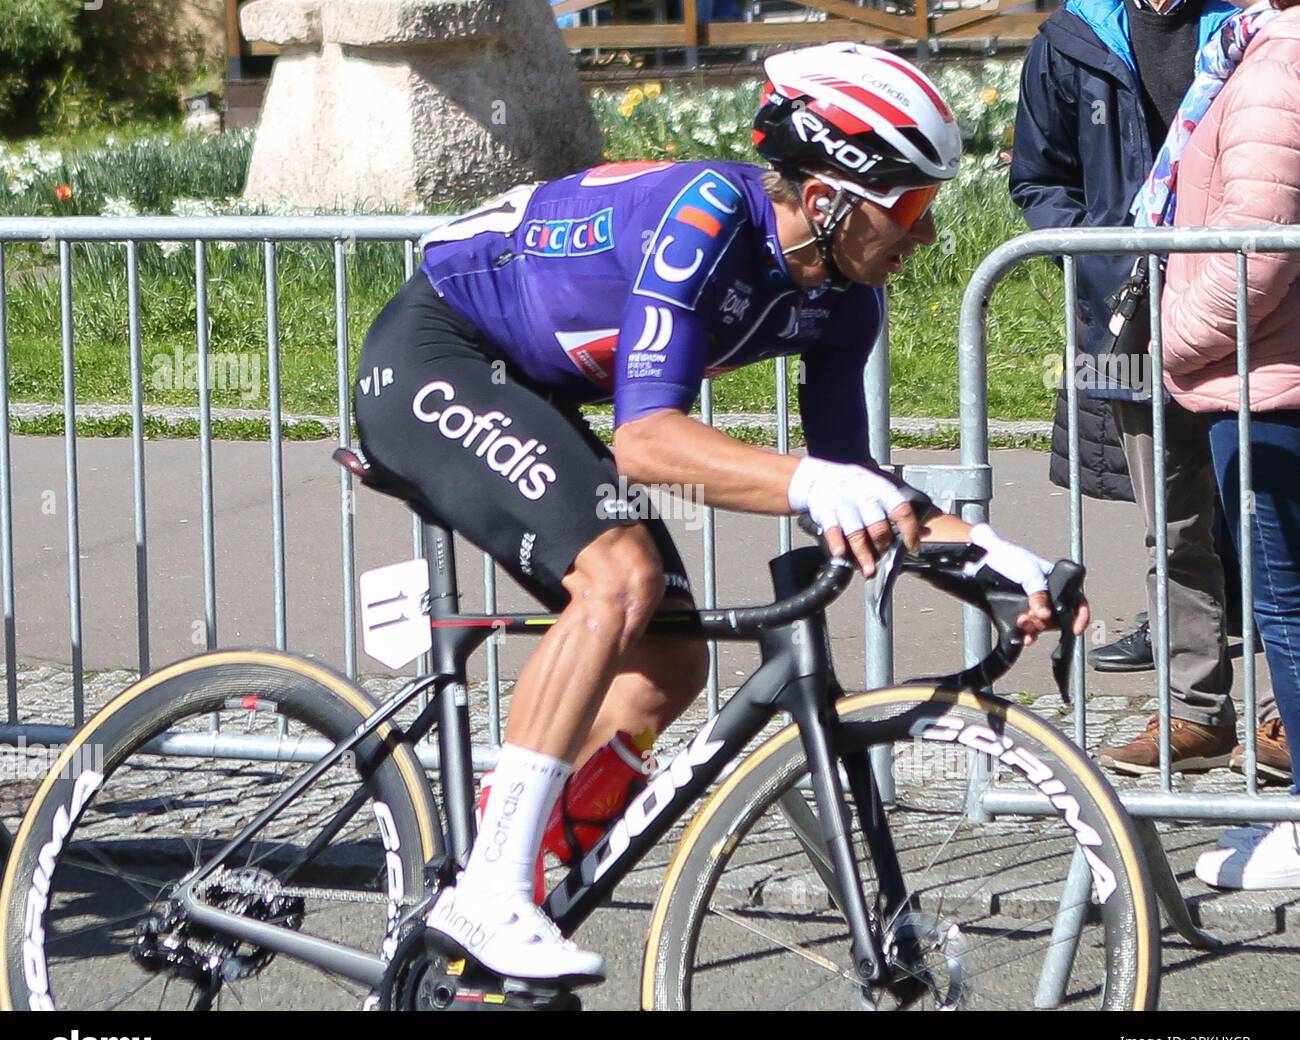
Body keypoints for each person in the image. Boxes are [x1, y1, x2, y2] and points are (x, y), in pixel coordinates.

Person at [354, 42, 1089, 981]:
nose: (927, 236)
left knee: (667, 662)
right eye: (910, 207)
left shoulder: (843, 302)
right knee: (620, 576)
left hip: (540, 391)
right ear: (829, 195)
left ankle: (516, 869)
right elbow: (647, 443)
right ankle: (487, 894)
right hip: (436, 354)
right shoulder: (703, 216)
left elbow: (849, 483)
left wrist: (989, 553)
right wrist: (812, 480)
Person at [1009, 0, 1285, 779]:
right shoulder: (1073, 37)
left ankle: (1287, 715)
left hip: (1247, 304)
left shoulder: (1248, 24)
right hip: (1130, 315)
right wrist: (1107, 254)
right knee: (1173, 526)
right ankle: (1197, 714)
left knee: (1278, 525)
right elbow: (1039, 177)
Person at [1140, 0, 1300, 886]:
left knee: (1288, 611)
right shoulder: (1259, 51)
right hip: (1272, 373)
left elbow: (1257, 253)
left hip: (1269, 385)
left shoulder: (1278, 65)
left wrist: (1171, 337)